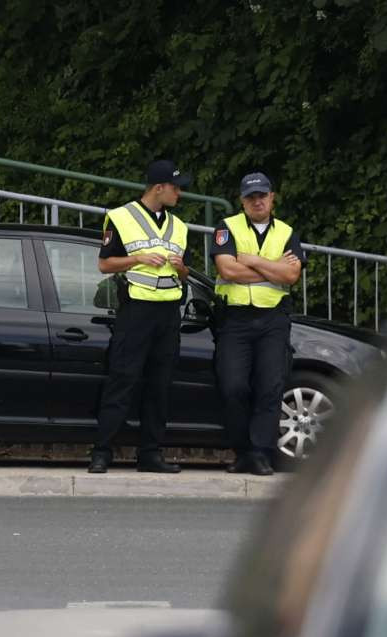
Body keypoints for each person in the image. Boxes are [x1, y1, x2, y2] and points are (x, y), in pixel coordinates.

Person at [87, 159, 193, 474]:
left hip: (168, 312)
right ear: (158, 187)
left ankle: (150, 454)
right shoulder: (120, 217)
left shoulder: (180, 226)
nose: (179, 194)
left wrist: (181, 268)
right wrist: (138, 258)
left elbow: (186, 274)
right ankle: (102, 452)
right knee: (123, 379)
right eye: (176, 187)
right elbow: (105, 264)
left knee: (160, 386)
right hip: (136, 310)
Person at [211, 172, 306, 476]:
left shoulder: (287, 232)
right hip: (236, 318)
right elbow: (228, 271)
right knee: (233, 386)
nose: (257, 201)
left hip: (273, 319)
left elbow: (292, 277)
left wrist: (251, 260)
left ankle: (260, 454)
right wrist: (273, 268)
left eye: (262, 195)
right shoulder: (227, 227)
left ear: (272, 197)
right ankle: (242, 450)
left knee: (270, 387)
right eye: (251, 197)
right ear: (242, 200)